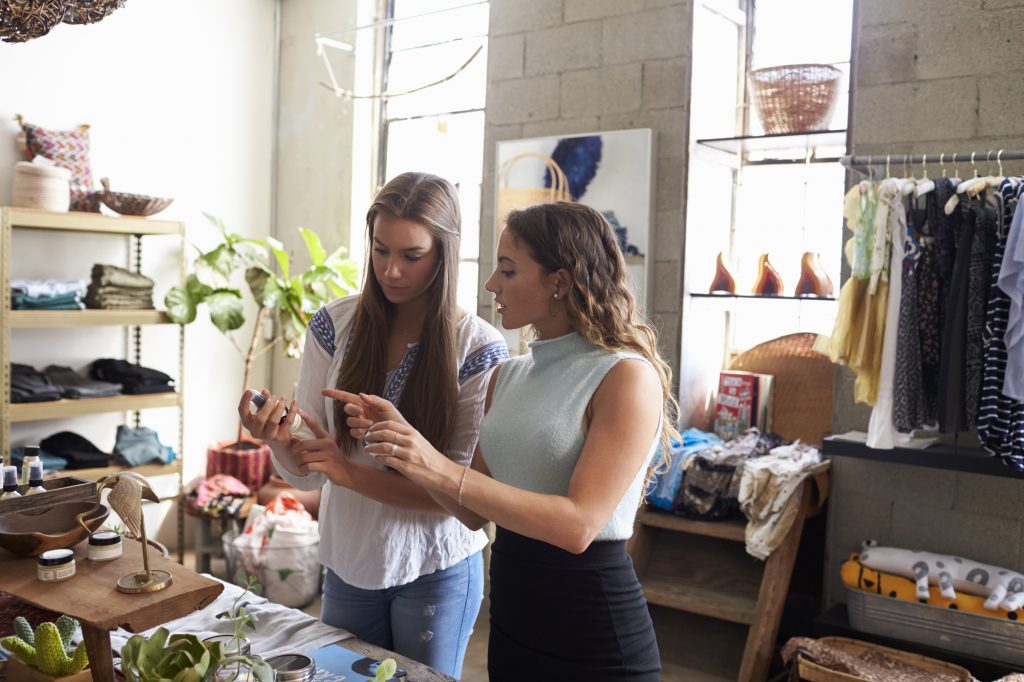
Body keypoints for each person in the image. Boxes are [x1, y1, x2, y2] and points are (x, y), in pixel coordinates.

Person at [353, 201, 679, 680]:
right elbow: (471, 511)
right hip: (512, 625)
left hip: (593, 635)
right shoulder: (506, 375)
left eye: (507, 270)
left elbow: (578, 526)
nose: (491, 285)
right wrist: (405, 446)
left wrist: (437, 465)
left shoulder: (626, 377)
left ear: (559, 281)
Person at [238, 171, 508, 678]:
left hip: (435, 567)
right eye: (381, 250)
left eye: (412, 255)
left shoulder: (479, 348)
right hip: (348, 560)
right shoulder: (333, 325)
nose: (391, 270)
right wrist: (276, 441)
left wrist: (347, 471)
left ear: (444, 254)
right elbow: (310, 471)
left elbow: (463, 498)